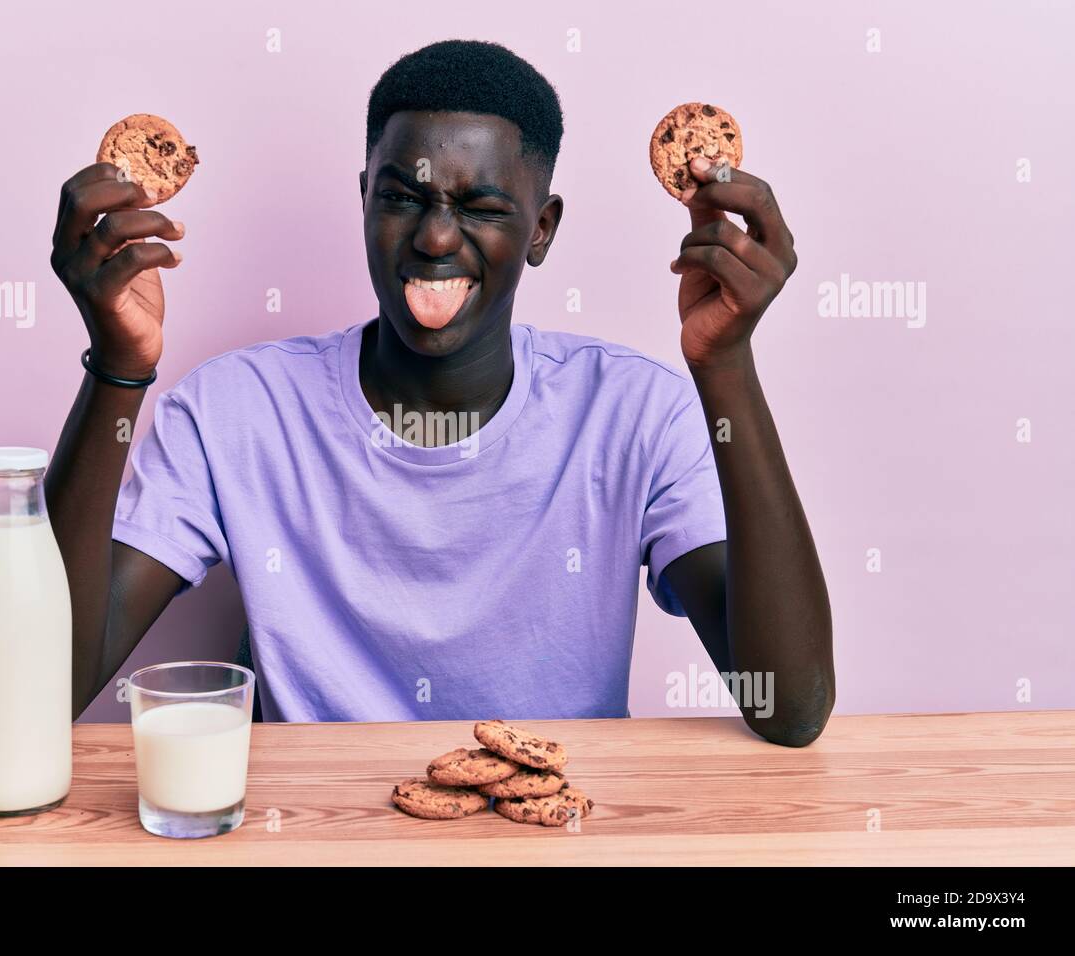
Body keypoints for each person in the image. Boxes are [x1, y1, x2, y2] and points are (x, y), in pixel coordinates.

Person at [45, 40, 833, 743]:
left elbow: (790, 707)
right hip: (318, 836)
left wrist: (725, 363)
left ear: (542, 230)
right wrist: (119, 366)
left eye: (483, 207)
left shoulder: (633, 413)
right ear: (365, 200)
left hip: (556, 834)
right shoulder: (235, 412)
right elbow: (46, 690)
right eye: (402, 197)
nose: (434, 237)